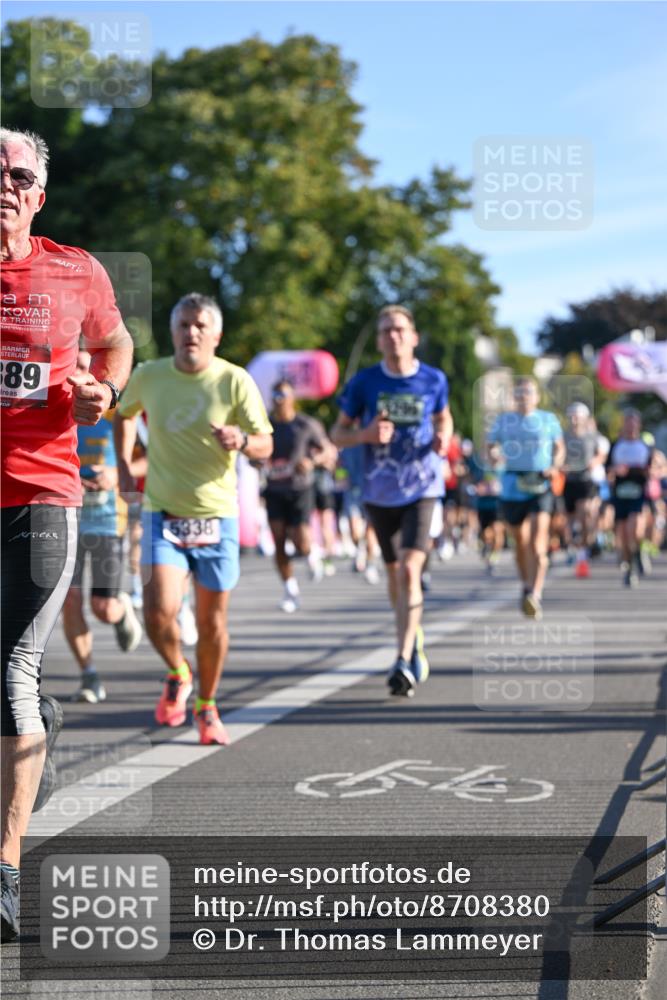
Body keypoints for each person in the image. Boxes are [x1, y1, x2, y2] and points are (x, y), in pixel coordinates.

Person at [1, 127, 133, 942]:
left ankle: (4, 867)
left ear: (38, 194)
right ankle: (38, 722)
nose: (3, 184)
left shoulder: (74, 270)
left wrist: (105, 393)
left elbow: (115, 344)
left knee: (9, 666)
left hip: (43, 495)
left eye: (19, 175)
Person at [115, 292, 272, 744]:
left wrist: (241, 439)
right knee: (159, 612)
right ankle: (179, 672)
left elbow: (266, 444)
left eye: (201, 325)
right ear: (173, 331)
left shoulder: (235, 381)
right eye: (184, 325)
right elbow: (124, 415)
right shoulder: (149, 376)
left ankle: (207, 705)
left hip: (216, 517)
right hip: (165, 512)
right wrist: (126, 466)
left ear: (216, 334)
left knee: (212, 623)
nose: (191, 333)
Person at [331, 304, 452, 697]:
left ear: (413, 336)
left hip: (422, 486)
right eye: (385, 331)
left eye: (399, 329)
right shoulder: (365, 383)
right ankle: (411, 634)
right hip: (379, 490)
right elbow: (338, 433)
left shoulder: (433, 380)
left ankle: (402, 659)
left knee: (409, 571)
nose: (392, 336)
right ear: (380, 340)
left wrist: (443, 437)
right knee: (393, 572)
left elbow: (443, 417)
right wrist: (365, 435)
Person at [61, 351, 143, 704]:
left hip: (108, 519)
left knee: (102, 608)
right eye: (74, 365)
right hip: (64, 516)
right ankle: (89, 675)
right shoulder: (52, 408)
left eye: (86, 365)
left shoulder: (116, 411)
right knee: (71, 599)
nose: (80, 373)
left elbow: (146, 458)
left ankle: (121, 608)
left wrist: (116, 474)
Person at [487, 376, 565, 619]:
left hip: (540, 483)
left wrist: (554, 466)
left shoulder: (548, 420)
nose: (523, 398)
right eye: (519, 393)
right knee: (519, 542)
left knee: (537, 541)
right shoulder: (504, 420)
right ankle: (525, 584)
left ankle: (535, 593)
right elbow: (489, 445)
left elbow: (559, 447)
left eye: (528, 393)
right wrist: (493, 456)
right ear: (514, 397)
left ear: (536, 396)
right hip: (512, 485)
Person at [263, 379, 336, 612]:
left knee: (301, 543)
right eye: (275, 395)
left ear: (293, 397)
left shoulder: (306, 425)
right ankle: (289, 589)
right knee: (279, 540)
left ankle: (312, 553)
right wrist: (255, 460)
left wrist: (312, 461)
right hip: (274, 489)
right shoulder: (264, 424)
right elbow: (252, 449)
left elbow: (329, 451)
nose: (278, 400)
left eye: (283, 395)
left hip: (300, 489)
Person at [607, 408, 655, 587]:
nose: (630, 426)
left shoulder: (644, 446)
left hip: (638, 493)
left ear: (638, 425)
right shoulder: (616, 445)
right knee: (623, 534)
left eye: (633, 422)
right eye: (627, 422)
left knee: (634, 530)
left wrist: (646, 472)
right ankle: (629, 566)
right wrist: (615, 471)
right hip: (620, 494)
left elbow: (654, 469)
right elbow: (607, 470)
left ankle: (637, 556)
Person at [562, 402, 605, 577]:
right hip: (569, 481)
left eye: (577, 416)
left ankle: (590, 542)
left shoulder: (592, 436)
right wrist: (560, 465)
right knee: (571, 521)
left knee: (585, 511)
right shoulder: (563, 437)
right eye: (571, 416)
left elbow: (601, 453)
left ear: (584, 418)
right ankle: (578, 549)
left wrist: (594, 463)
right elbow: (556, 453)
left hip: (586, 480)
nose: (574, 420)